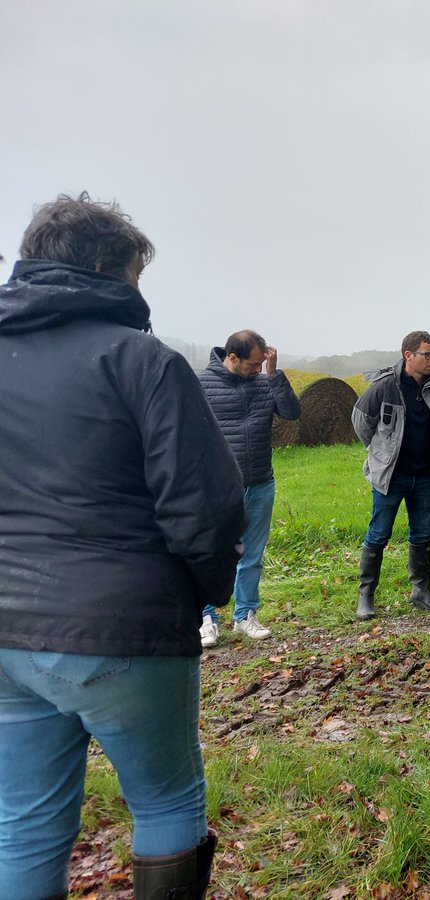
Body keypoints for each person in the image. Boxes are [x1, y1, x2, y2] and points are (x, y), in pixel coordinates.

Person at [0, 194, 244, 898]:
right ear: (108, 270)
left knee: (22, 825)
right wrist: (200, 594)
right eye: (138, 273)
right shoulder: (142, 362)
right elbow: (207, 505)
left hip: (6, 630)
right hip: (123, 624)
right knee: (165, 801)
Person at [197, 330, 300, 646]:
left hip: (260, 483)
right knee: (211, 554)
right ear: (232, 358)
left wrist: (274, 375)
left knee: (252, 556)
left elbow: (292, 412)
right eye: (254, 364)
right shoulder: (200, 385)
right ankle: (206, 620)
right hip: (217, 487)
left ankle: (245, 617)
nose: (258, 369)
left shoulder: (264, 382)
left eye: (262, 363)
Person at [352, 330, 430, 620]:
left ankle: (421, 592)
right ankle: (366, 596)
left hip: (424, 477)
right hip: (391, 477)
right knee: (379, 534)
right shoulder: (384, 388)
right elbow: (361, 424)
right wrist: (382, 454)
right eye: (427, 354)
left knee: (422, 534)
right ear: (408, 355)